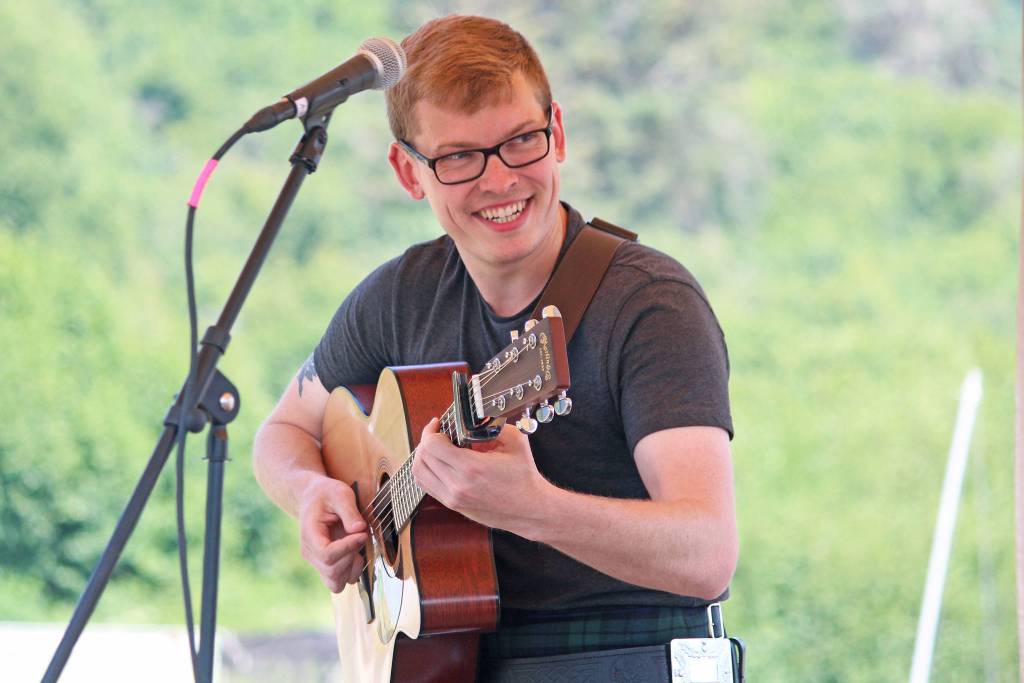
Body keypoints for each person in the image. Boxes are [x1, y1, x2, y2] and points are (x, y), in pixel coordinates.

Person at [253, 13, 737, 679]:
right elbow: (281, 431)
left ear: (557, 133)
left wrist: (535, 509)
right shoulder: (399, 295)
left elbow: (708, 552)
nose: (501, 179)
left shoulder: (649, 302)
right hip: (453, 659)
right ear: (407, 170)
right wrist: (311, 491)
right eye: (458, 157)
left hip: (627, 653)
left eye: (521, 142)